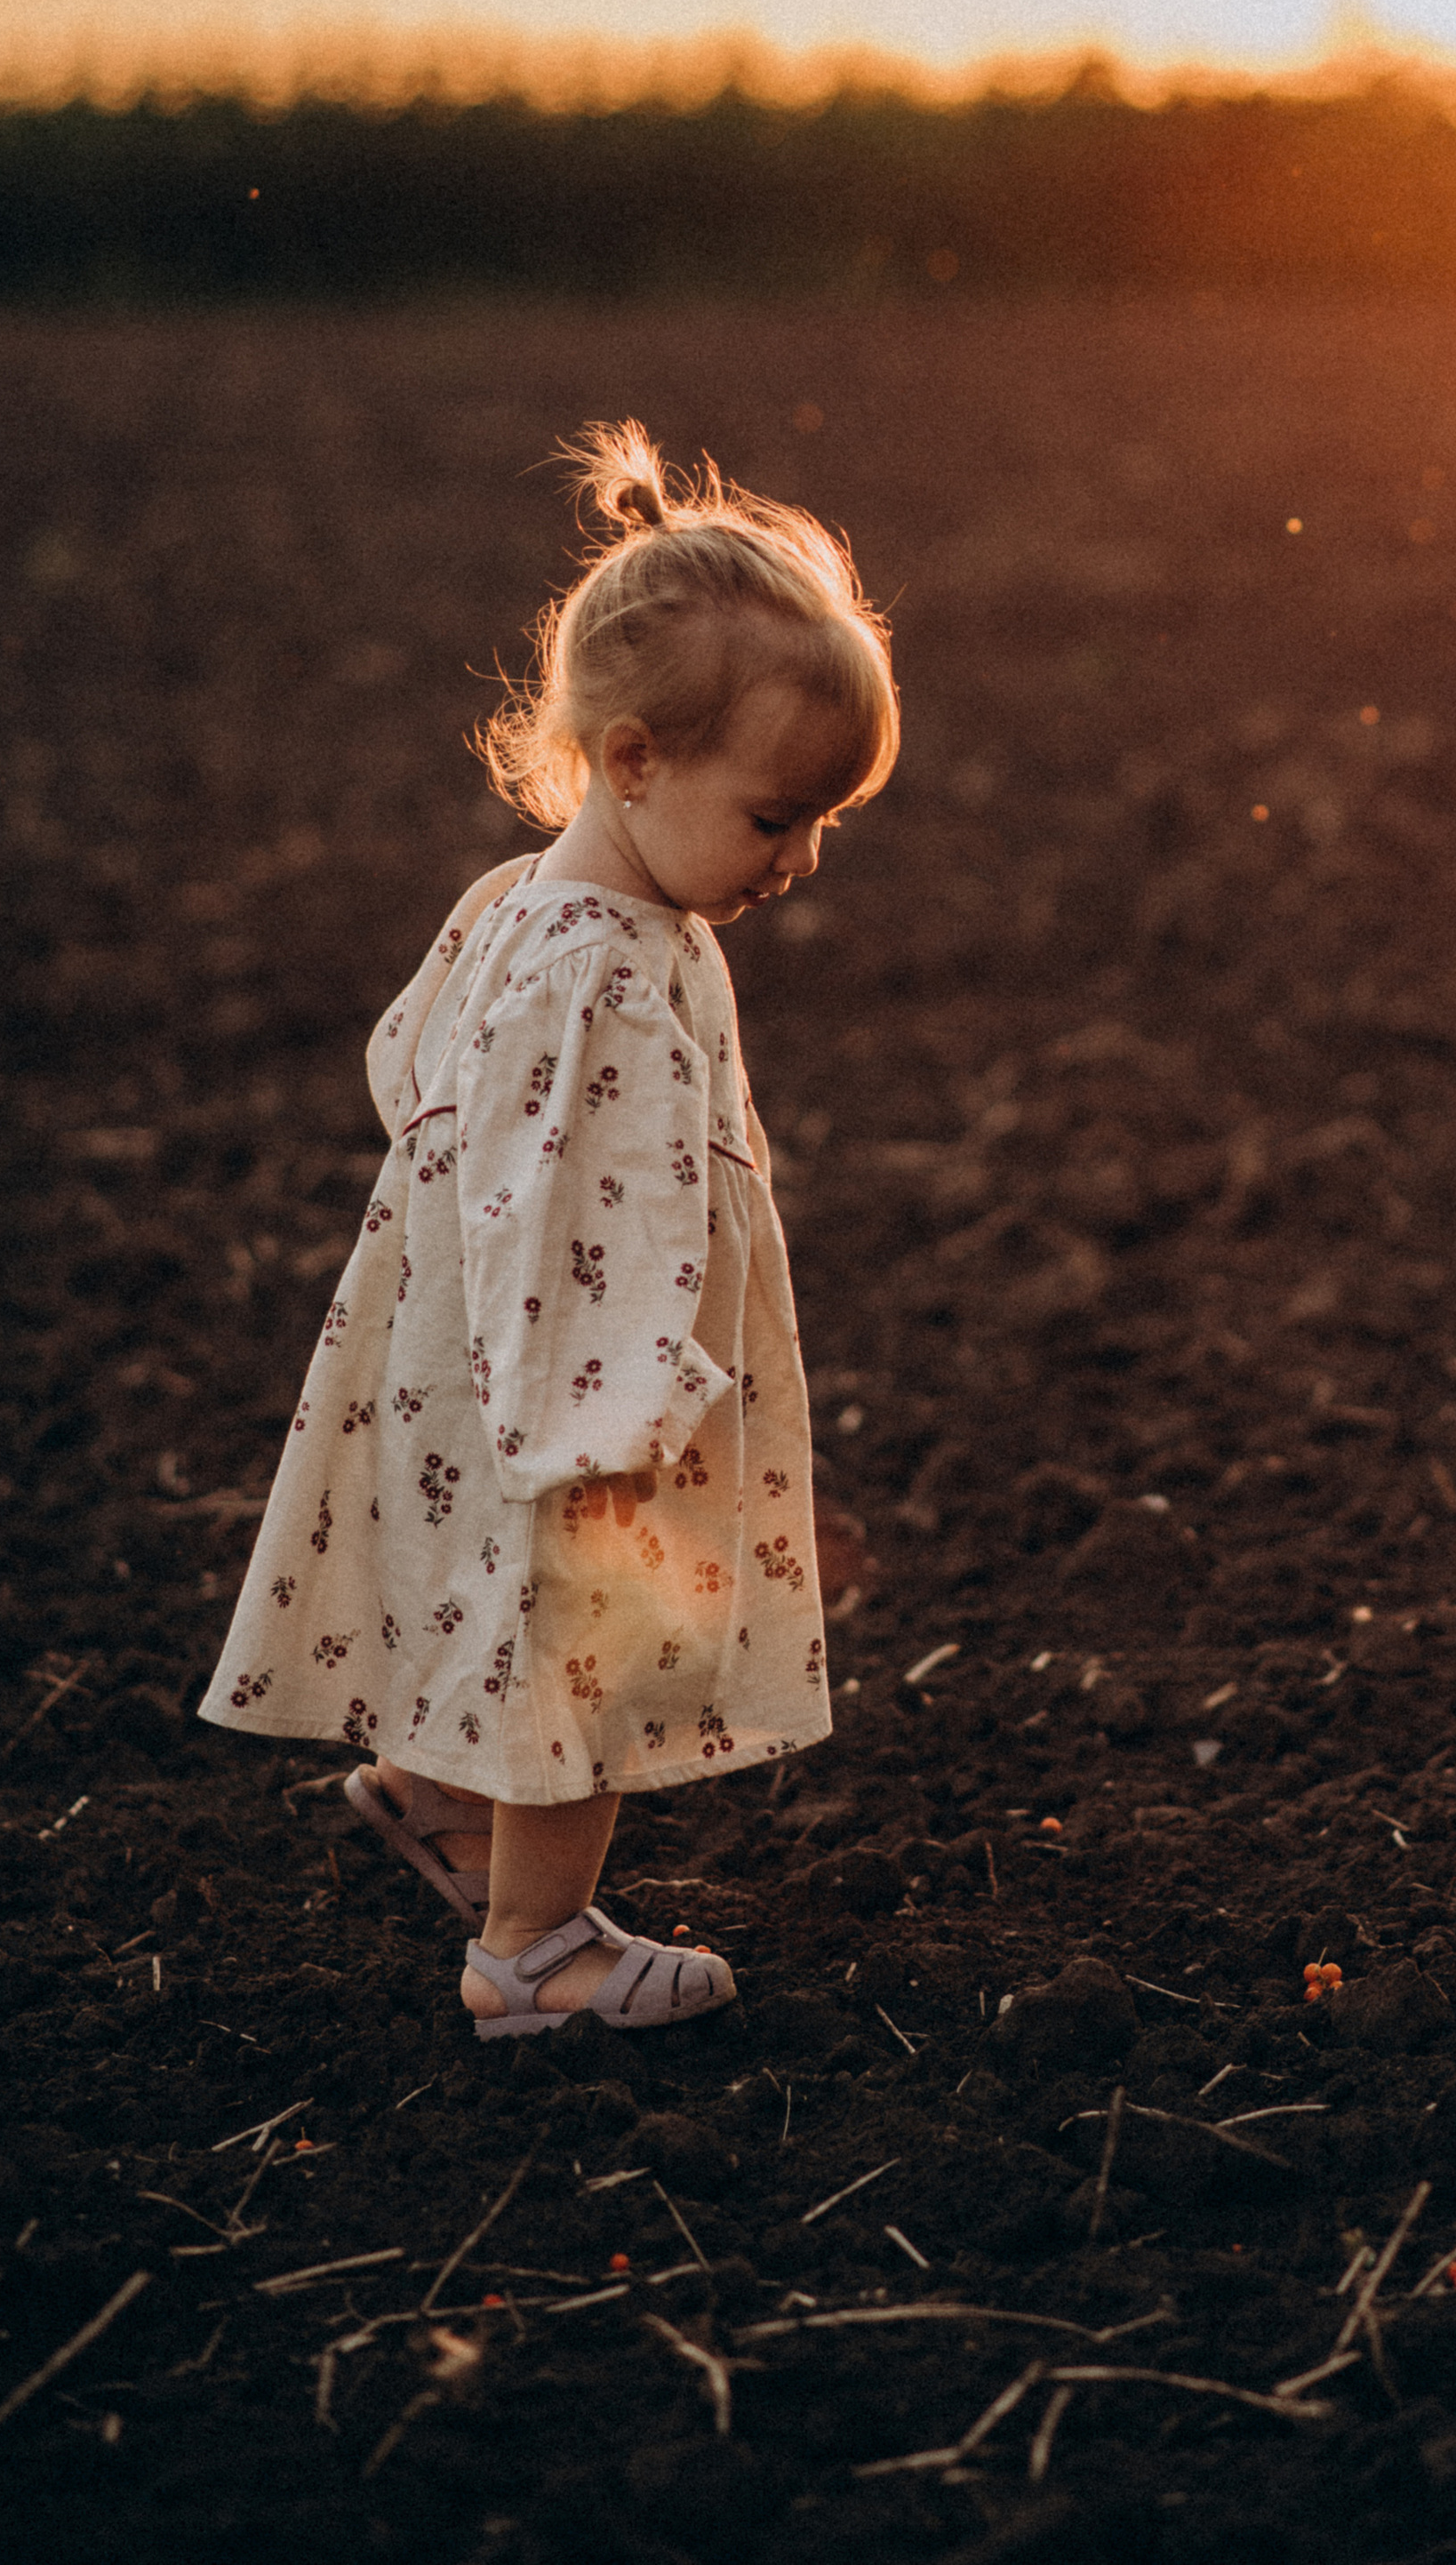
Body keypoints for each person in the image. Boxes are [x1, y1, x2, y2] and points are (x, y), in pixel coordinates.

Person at [203, 421, 898, 2037]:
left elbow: (409, 1069)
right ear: (635, 758)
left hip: (473, 1364)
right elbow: (583, 1198)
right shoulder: (613, 968)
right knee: (587, 1637)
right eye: (778, 817)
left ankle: (443, 1796)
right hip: (577, 1383)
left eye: (824, 824)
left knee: (492, 1598)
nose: (801, 861)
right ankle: (534, 1951)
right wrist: (611, 1415)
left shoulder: (528, 905)